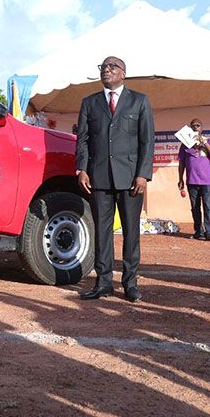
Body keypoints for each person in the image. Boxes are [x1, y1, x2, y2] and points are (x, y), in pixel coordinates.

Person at [76, 56, 154, 303]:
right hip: (98, 178)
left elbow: (147, 140)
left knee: (131, 232)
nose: (106, 70)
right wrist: (81, 169)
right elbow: (83, 140)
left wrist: (143, 174)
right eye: (103, 67)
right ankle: (103, 283)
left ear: (123, 73)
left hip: (131, 179)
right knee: (102, 232)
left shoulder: (139, 100)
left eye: (112, 67)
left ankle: (130, 284)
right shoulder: (89, 102)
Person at [177, 118, 210, 240]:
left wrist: (203, 142)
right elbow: (181, 163)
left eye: (198, 125)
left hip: (206, 181)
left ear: (202, 128)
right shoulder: (185, 144)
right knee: (195, 207)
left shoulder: (208, 141)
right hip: (191, 180)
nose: (195, 127)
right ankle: (198, 232)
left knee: (208, 206)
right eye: (193, 126)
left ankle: (209, 232)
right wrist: (180, 179)